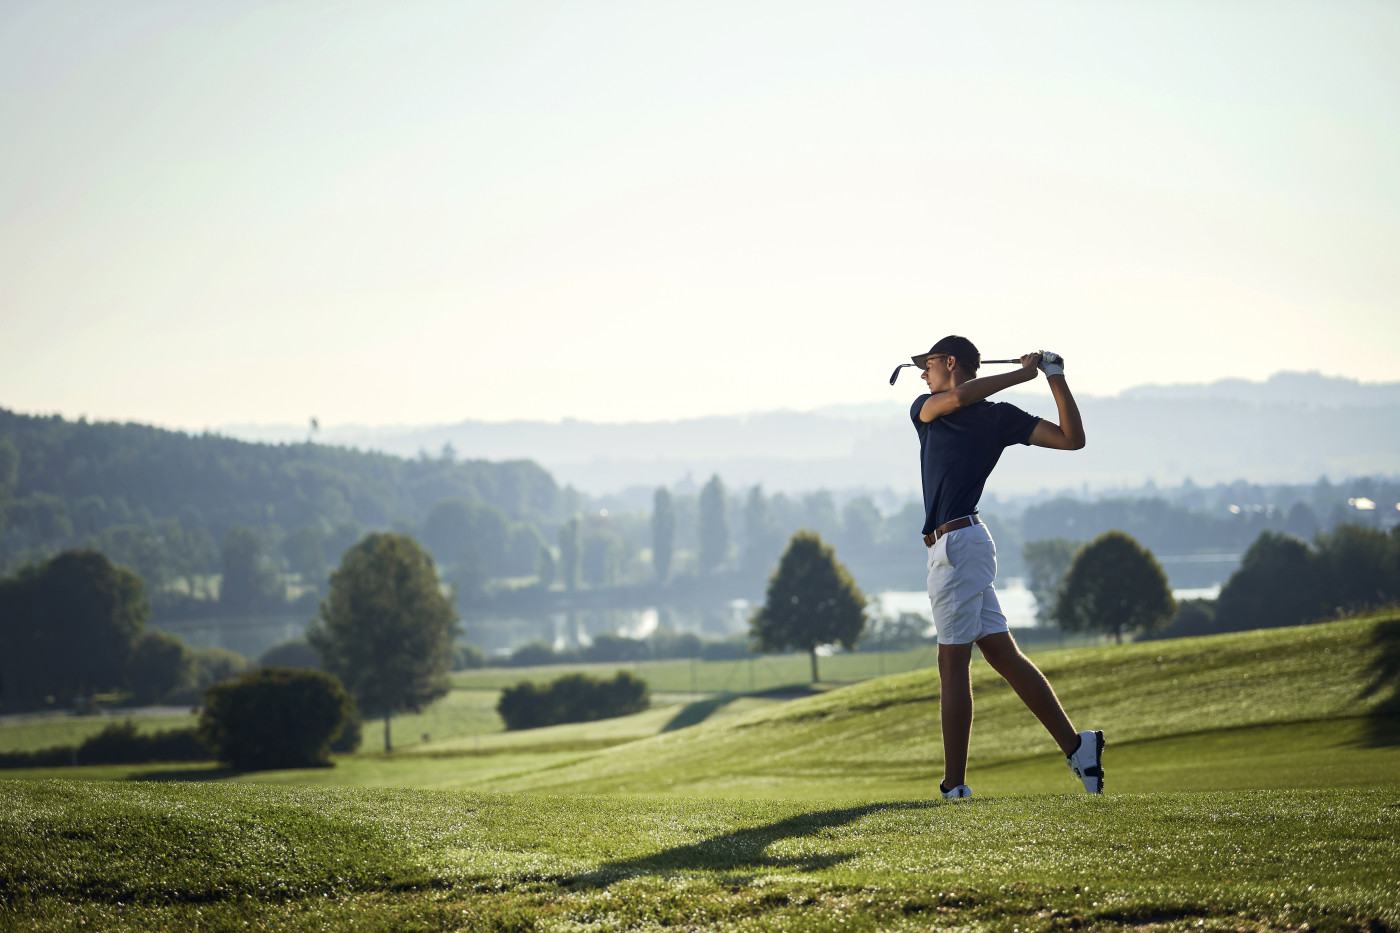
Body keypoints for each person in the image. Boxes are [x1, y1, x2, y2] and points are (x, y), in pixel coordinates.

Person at [908, 334, 1103, 798]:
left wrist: (1053, 377)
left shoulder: (999, 417)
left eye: (928, 364)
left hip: (958, 547)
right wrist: (1022, 374)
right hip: (962, 546)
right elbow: (958, 398)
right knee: (1002, 655)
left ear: (949, 361)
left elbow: (1072, 440)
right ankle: (1078, 747)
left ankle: (954, 786)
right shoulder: (927, 409)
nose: (923, 374)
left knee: (952, 663)